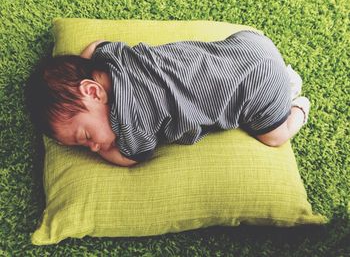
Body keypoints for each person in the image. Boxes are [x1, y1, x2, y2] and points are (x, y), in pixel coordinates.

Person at [26, 31, 310, 167]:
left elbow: (129, 159)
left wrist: (104, 150)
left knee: (274, 137)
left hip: (256, 90)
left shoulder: (131, 125)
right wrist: (84, 69)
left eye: (85, 136)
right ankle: (281, 81)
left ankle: (297, 105)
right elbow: (94, 45)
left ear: (92, 91)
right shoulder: (115, 58)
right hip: (247, 45)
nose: (93, 146)